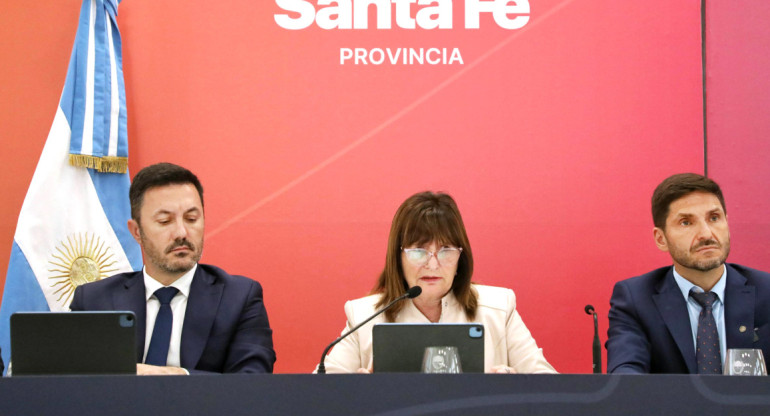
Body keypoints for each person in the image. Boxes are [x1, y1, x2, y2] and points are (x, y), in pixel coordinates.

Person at [70, 163, 275, 375]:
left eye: (191, 219)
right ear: (137, 231)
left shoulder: (239, 298)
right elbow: (72, 382)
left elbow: (252, 384)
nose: (181, 232)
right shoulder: (94, 301)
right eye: (165, 221)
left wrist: (173, 375)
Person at [318, 191, 556, 374]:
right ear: (397, 256)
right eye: (419, 251)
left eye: (445, 250)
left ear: (460, 257)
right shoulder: (363, 316)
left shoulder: (499, 308)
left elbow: (550, 388)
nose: (432, 265)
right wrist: (355, 391)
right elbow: (317, 394)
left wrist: (513, 388)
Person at [607, 173, 770, 374]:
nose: (706, 234)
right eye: (686, 222)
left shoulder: (766, 292)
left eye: (714, 218)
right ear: (661, 239)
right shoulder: (636, 300)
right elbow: (626, 377)